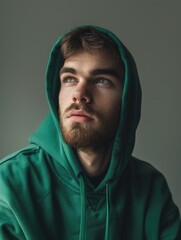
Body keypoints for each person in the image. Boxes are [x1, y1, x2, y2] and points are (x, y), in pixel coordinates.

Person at [0, 25, 180, 240]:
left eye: (101, 80)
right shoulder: (9, 184)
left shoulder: (151, 189)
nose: (79, 94)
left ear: (127, 100)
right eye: (69, 79)